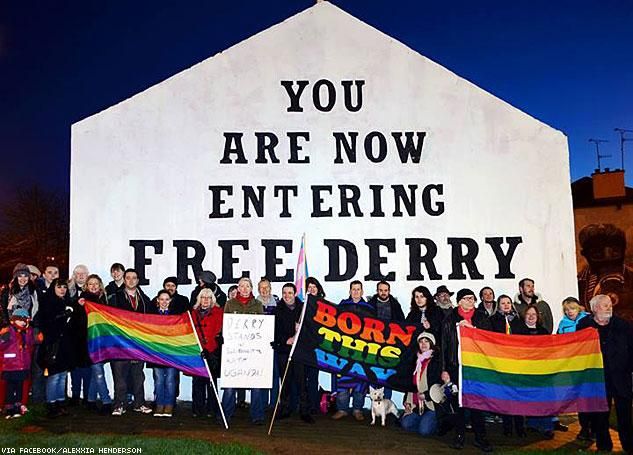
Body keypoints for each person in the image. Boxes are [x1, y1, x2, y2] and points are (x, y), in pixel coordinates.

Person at [577, 294, 633, 452]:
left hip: (621, 377)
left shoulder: (623, 325)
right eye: (605, 305)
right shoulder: (584, 326)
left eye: (610, 305)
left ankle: (629, 445)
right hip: (597, 378)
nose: (609, 308)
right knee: (600, 415)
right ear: (594, 308)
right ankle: (603, 446)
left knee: (625, 414)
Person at [441, 288, 492, 452]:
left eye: (472, 298)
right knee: (459, 404)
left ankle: (480, 437)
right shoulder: (449, 319)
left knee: (478, 404)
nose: (470, 301)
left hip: (476, 367)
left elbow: (488, 339)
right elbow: (444, 346)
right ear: (459, 302)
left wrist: (471, 329)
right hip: (456, 367)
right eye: (466, 298)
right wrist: (444, 369)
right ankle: (459, 436)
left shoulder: (481, 317)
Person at [221, 277, 266, 425]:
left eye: (247, 286)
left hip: (253, 351)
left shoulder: (258, 305)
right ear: (238, 288)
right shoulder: (229, 304)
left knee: (256, 383)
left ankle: (257, 415)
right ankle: (226, 414)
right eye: (242, 286)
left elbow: (262, 327)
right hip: (234, 352)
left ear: (251, 288)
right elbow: (225, 325)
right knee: (230, 385)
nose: (244, 289)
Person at [110, 269, 154, 416]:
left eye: (134, 278)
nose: (130, 280)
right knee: (120, 376)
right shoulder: (115, 297)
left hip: (138, 344)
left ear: (138, 281)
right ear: (124, 280)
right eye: (128, 278)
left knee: (138, 376)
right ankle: (119, 405)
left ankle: (139, 403)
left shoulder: (145, 299)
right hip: (120, 343)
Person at [272, 282, 314, 423]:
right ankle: (285, 409)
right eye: (284, 293)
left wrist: (299, 332)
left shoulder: (303, 308)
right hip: (284, 351)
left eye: (290, 293)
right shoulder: (277, 310)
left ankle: (305, 411)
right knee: (285, 382)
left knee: (301, 382)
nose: (287, 296)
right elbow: (274, 331)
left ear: (295, 294)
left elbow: (310, 329)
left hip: (299, 351)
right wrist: (286, 340)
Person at [35, 279, 77, 418]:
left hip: (64, 345)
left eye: (64, 287)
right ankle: (51, 404)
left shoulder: (67, 302)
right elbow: (46, 322)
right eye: (59, 287)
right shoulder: (47, 303)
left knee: (62, 376)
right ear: (53, 288)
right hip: (52, 345)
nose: (62, 290)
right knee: (54, 376)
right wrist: (62, 316)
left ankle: (60, 403)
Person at [333, 280, 373, 422]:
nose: (356, 292)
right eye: (353, 289)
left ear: (362, 291)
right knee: (342, 377)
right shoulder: (342, 306)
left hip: (362, 349)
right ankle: (342, 409)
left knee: (360, 379)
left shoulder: (369, 309)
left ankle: (357, 409)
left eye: (358, 289)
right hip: (345, 348)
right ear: (350, 291)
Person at [577, 224, 633, 320]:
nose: (608, 258)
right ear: (585, 254)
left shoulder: (630, 277)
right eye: (598, 253)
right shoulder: (580, 282)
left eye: (615, 252)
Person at [488, 294, 525, 436]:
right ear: (498, 305)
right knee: (505, 395)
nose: (506, 305)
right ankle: (507, 427)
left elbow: (524, 339)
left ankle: (520, 426)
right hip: (501, 363)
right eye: (503, 303)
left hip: (516, 362)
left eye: (508, 302)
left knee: (518, 395)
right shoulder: (492, 321)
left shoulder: (518, 320)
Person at [78, 274, 112, 415]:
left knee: (95, 372)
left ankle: (90, 400)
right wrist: (80, 306)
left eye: (96, 283)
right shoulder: (82, 300)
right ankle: (106, 402)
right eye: (90, 284)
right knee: (98, 371)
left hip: (101, 341)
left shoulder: (104, 300)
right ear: (86, 286)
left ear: (100, 285)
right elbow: (78, 321)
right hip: (88, 342)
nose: (93, 286)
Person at [0, 309, 40, 419]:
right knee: (10, 388)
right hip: (10, 366)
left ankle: (18, 407)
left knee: (19, 388)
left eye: (25, 320)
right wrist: (3, 339)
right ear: (14, 320)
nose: (22, 322)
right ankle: (9, 409)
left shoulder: (28, 331)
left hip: (22, 366)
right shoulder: (8, 331)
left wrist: (37, 338)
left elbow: (31, 343)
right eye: (20, 320)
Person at [401, 332, 442, 436]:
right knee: (405, 424)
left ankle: (436, 423)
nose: (423, 344)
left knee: (424, 431)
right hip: (416, 405)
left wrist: (426, 395)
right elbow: (410, 384)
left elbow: (439, 386)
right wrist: (407, 401)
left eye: (426, 341)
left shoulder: (436, 361)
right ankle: (423, 420)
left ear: (431, 344)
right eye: (421, 342)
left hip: (431, 404)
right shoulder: (415, 360)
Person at [191, 288, 223, 419]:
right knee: (197, 382)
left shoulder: (218, 312)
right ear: (199, 299)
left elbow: (218, 331)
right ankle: (197, 409)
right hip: (197, 351)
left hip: (212, 351)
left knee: (211, 382)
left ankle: (212, 408)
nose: (205, 300)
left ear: (212, 300)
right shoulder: (193, 313)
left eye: (208, 297)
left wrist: (210, 348)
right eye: (203, 297)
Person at [151, 290, 177, 417]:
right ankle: (159, 405)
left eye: (167, 299)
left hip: (172, 353)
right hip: (157, 353)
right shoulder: (151, 316)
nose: (164, 302)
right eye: (162, 299)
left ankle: (169, 405)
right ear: (157, 300)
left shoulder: (176, 316)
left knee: (170, 380)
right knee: (159, 380)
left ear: (170, 301)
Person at [257, 278, 280, 408]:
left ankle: (274, 403)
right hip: (259, 345)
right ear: (258, 289)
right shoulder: (254, 304)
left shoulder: (278, 304)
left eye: (267, 287)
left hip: (274, 344)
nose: (264, 290)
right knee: (262, 373)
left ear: (270, 289)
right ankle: (263, 402)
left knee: (275, 374)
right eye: (262, 287)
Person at [304, 276, 325, 414]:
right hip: (303, 346)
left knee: (313, 377)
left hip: (316, 347)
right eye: (309, 287)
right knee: (301, 378)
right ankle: (302, 404)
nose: (311, 290)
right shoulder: (301, 304)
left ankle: (313, 405)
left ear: (318, 289)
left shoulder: (324, 306)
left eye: (314, 287)